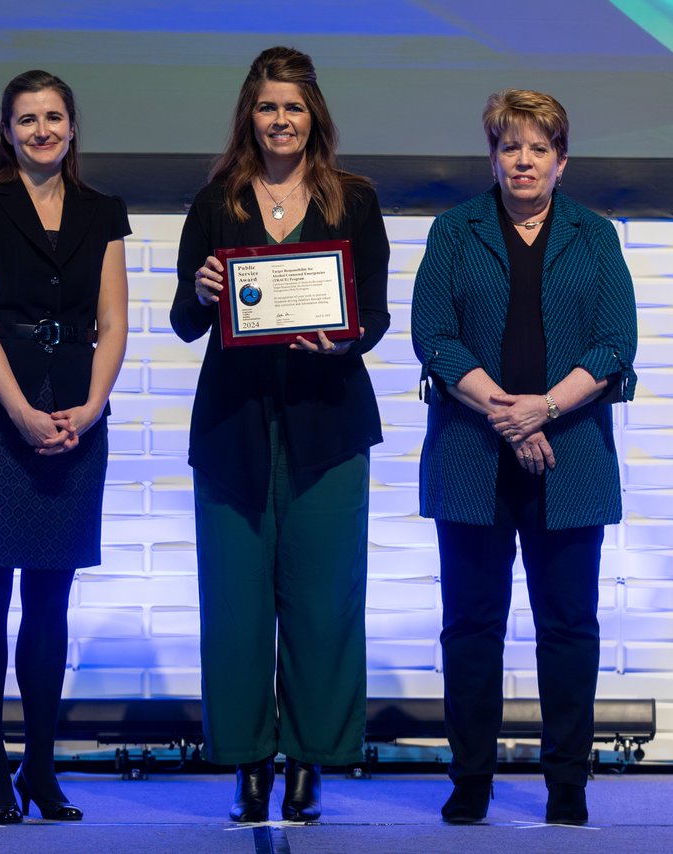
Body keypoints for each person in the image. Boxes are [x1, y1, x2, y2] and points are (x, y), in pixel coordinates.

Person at [171, 46, 390, 823]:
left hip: (327, 426)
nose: (281, 120)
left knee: (325, 603)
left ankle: (312, 763)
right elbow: (182, 322)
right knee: (233, 606)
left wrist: (347, 338)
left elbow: (375, 311)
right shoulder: (214, 201)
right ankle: (247, 764)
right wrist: (199, 293)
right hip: (232, 427)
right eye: (268, 107)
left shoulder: (354, 200)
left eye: (293, 107)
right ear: (249, 116)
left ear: (313, 116)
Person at [411, 89, 637, 826]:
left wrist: (545, 407)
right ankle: (470, 779)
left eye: (539, 148)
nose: (524, 160)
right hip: (472, 456)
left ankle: (566, 785)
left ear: (562, 161)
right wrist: (512, 416)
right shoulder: (454, 231)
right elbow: (435, 339)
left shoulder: (595, 236)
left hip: (571, 457)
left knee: (568, 625)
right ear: (493, 157)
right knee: (471, 625)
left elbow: (614, 346)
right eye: (511, 147)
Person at [0, 69, 129, 825]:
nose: (42, 130)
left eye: (54, 117)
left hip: (77, 412)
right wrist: (19, 409)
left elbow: (113, 324)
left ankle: (41, 769)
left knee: (51, 595)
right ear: (7, 130)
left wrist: (90, 407)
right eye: (27, 119)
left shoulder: (102, 212)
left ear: (73, 127)